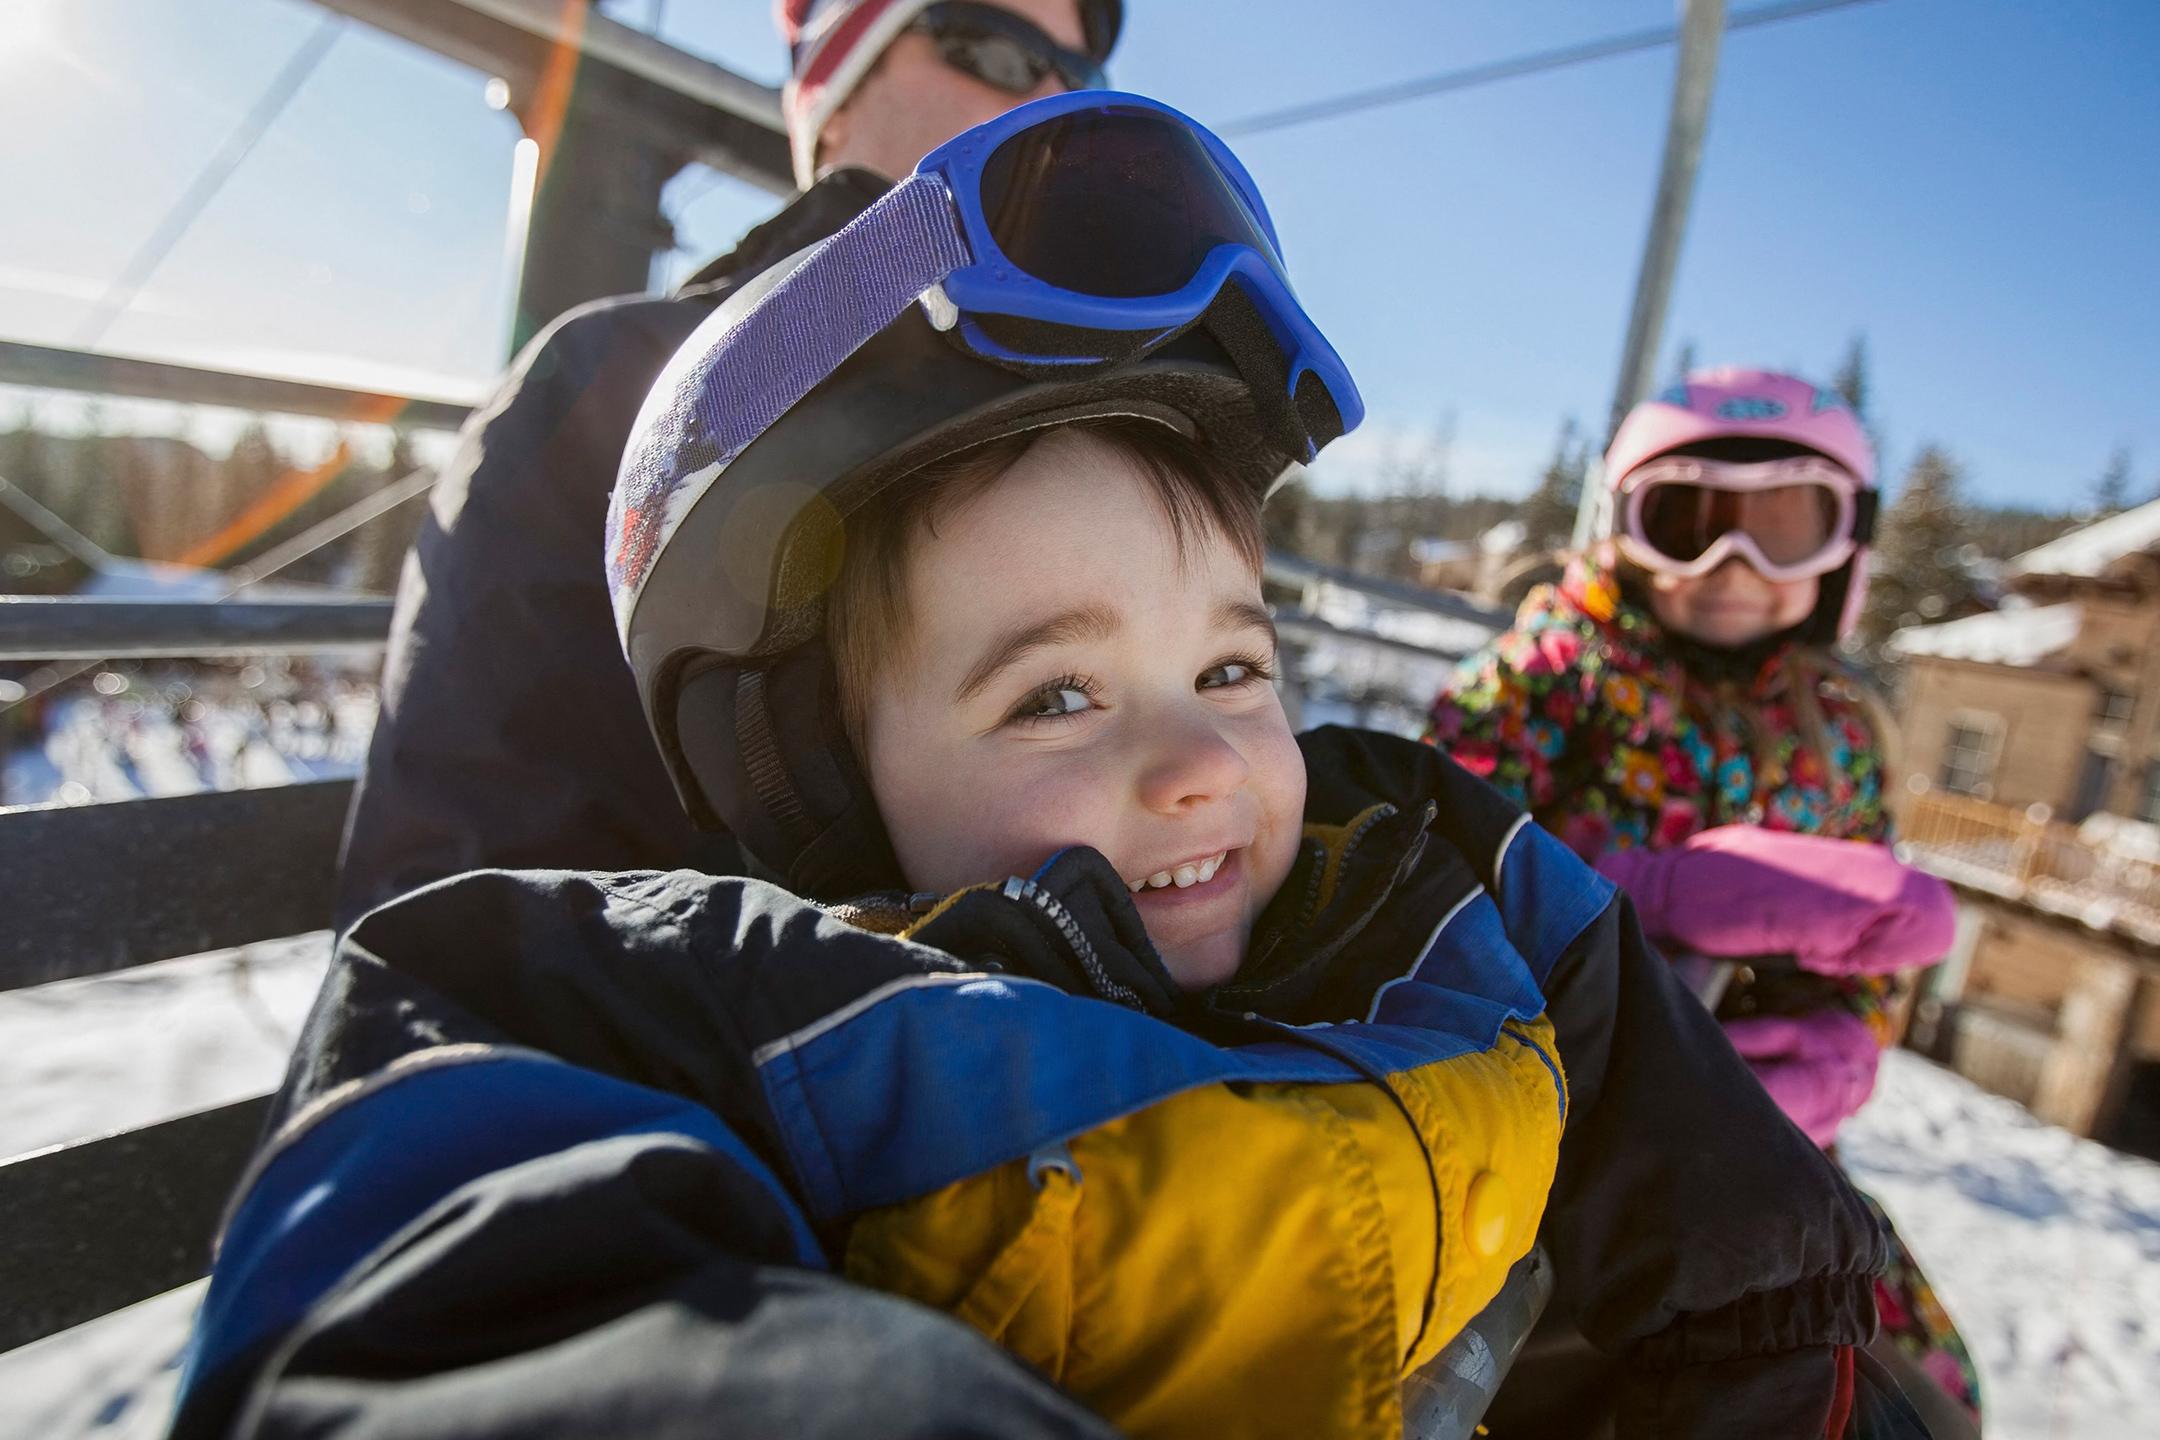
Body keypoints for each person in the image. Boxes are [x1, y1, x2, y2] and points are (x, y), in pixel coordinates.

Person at [173, 104, 1920, 1439]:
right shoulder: (726, 1012)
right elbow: (467, 1292)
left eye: (1231, 665)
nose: (1200, 764)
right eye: (1058, 695)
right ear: (822, 777)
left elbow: (1723, 1214)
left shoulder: (1422, 880)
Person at [332, 0, 1121, 929]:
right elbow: (462, 894)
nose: (1055, 100)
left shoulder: (1130, 408)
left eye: (1084, 78)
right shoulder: (611, 388)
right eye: (995, 47)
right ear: (837, 91)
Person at [1430, 367, 1982, 1429]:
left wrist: (1841, 1050)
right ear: (1620, 528)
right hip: (1557, 1117)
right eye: (1684, 521)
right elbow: (1428, 838)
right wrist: (1632, 884)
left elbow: (1865, 953)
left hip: (1766, 1141)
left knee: (1922, 1391)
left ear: (1846, 547)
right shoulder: (1554, 673)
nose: (1732, 566)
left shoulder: (1843, 733)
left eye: (1784, 527)